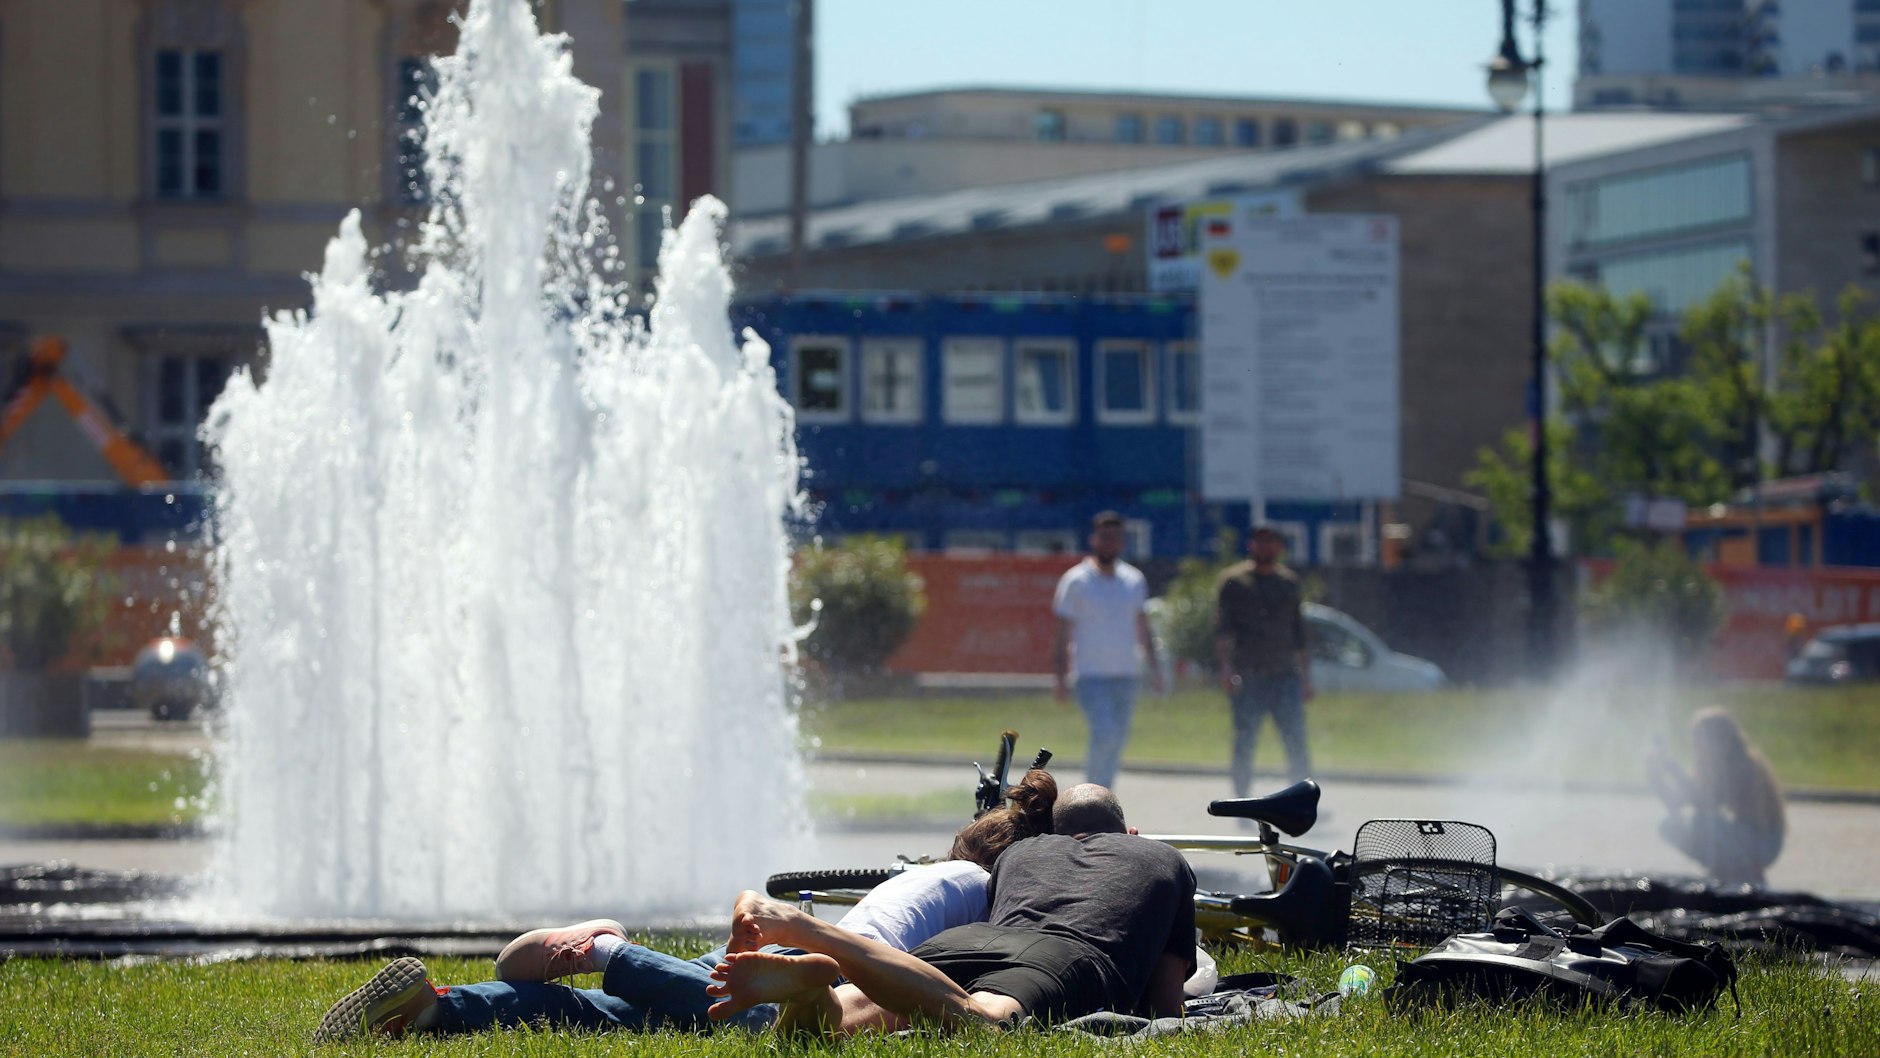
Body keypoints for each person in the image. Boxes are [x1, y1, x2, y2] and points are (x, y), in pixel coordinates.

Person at [311, 771, 1059, 1043]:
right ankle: (605, 953)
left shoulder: (924, 880)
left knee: (614, 1022)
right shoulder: (988, 892)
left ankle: (441, 1006)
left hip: (776, 951)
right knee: (758, 1028)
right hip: (801, 965)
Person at [705, 783, 1197, 1038]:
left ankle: (815, 992)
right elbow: (1163, 1006)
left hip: (965, 944)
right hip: (1062, 957)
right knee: (984, 1020)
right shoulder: (1162, 858)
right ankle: (820, 937)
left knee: (835, 1027)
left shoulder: (1021, 853)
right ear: (1129, 833)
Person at [1052, 511, 1162, 789]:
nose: (1109, 543)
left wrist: (1154, 668)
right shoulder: (1076, 580)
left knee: (1118, 738)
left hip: (1125, 674)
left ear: (1122, 543)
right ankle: (1090, 791)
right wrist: (1059, 676)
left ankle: (1104, 794)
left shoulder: (1133, 580)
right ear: (1094, 540)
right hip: (1090, 674)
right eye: (1104, 537)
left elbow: (1142, 626)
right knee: (1104, 732)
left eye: (1115, 538)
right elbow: (1062, 631)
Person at [1214, 526, 1314, 797]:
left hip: (1285, 676)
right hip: (1248, 676)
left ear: (1279, 547)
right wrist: (1226, 668)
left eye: (1271, 542)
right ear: (1251, 545)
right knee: (1245, 741)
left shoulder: (1288, 583)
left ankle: (1301, 798)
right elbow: (1223, 629)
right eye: (1260, 542)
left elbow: (1299, 633)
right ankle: (1242, 798)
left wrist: (1306, 677)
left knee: (1295, 741)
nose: (1265, 547)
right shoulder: (1234, 581)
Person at [1648, 707, 1786, 887]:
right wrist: (1656, 778)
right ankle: (1723, 868)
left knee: (1703, 823)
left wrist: (1673, 770)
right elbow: (1677, 806)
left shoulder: (1741, 764)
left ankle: (1741, 872)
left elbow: (1703, 804)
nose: (1697, 746)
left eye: (1701, 739)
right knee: (1670, 825)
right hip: (1742, 837)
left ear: (1721, 739)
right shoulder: (1713, 767)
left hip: (1762, 843)